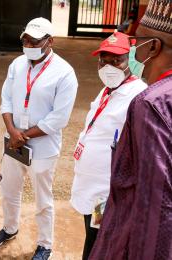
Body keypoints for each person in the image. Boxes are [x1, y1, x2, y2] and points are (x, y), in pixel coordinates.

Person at [0, 18, 78, 260]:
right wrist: (13, 131)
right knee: (9, 189)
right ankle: (9, 228)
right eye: (25, 39)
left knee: (43, 198)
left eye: (34, 41)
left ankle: (45, 244)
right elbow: (6, 99)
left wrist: (24, 135)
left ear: (50, 42)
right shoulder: (17, 65)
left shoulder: (65, 73)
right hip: (14, 141)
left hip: (43, 145)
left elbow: (58, 118)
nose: (28, 44)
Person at [90, 0, 172, 259]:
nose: (135, 53)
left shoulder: (151, 103)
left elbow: (155, 203)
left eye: (137, 44)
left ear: (154, 47)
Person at [70, 32, 147, 260]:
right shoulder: (107, 90)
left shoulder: (138, 96)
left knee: (101, 245)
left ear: (130, 61)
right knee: (93, 236)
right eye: (104, 60)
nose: (109, 66)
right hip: (92, 186)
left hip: (107, 192)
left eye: (117, 60)